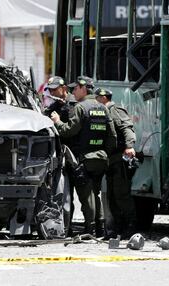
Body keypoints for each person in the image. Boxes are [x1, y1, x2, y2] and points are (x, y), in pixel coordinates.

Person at [51, 76, 117, 237]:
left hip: (84, 159)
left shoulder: (81, 107)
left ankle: (91, 229)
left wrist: (57, 121)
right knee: (96, 193)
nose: (73, 91)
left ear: (83, 88)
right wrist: (104, 153)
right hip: (100, 158)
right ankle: (101, 229)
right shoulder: (103, 108)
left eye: (75, 88)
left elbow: (68, 130)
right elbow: (112, 136)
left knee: (87, 196)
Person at [95, 88, 137, 239]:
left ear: (104, 98)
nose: (96, 100)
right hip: (111, 160)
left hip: (120, 160)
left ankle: (130, 227)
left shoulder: (115, 110)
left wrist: (130, 145)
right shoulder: (104, 112)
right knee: (112, 196)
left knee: (121, 195)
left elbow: (127, 128)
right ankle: (118, 228)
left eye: (97, 97)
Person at [43, 76, 77, 235]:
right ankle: (65, 229)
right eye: (50, 90)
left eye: (55, 89)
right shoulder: (53, 108)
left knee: (88, 197)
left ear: (64, 89)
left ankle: (95, 228)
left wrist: (58, 120)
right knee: (64, 196)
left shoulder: (76, 105)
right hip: (63, 158)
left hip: (79, 158)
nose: (52, 92)